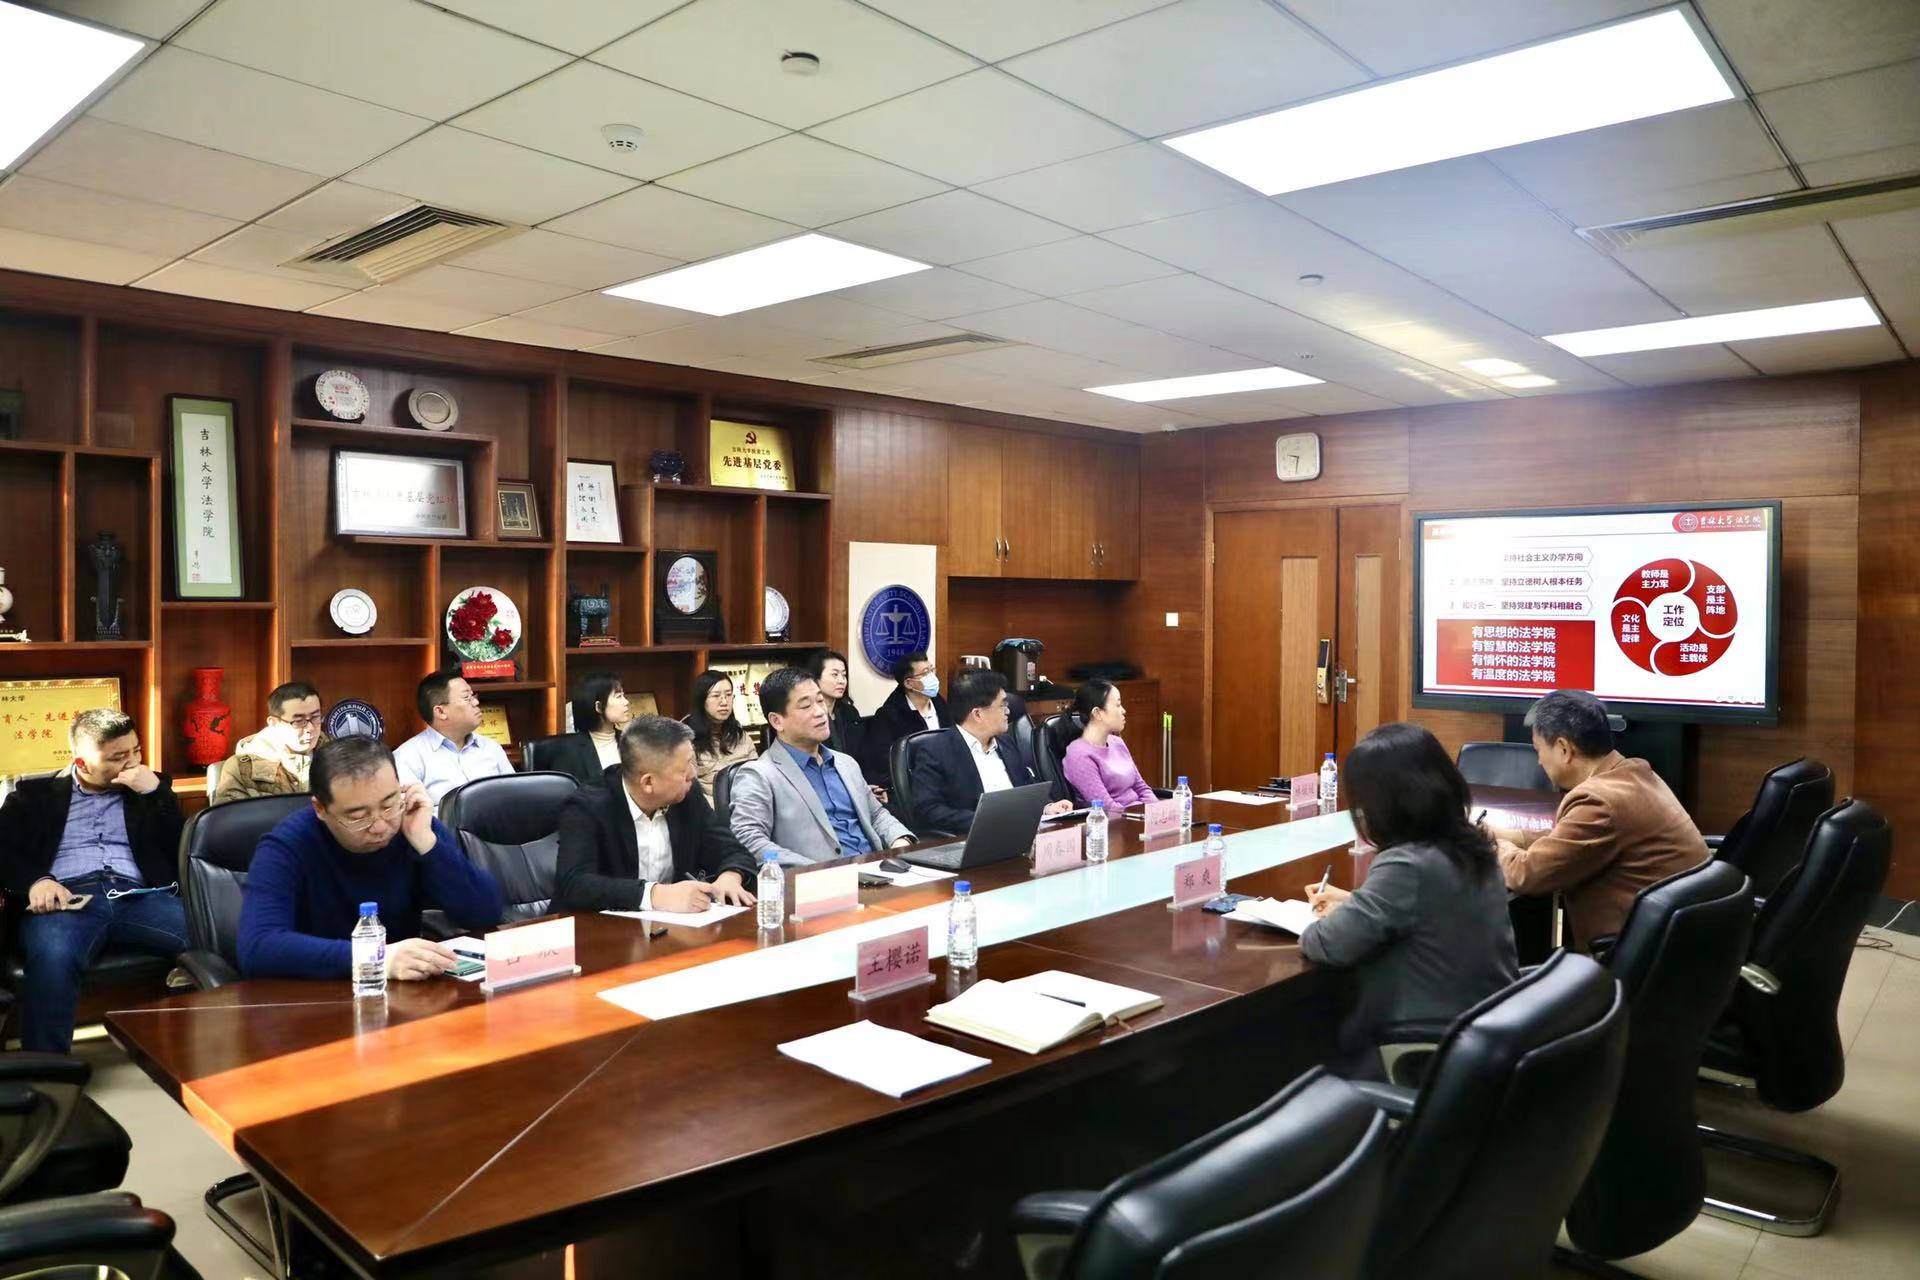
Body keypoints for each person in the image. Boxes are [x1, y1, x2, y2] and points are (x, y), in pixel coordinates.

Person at [1298, 722, 1519, 1077]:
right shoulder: (1471, 844)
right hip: (1486, 1039)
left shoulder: (1407, 864)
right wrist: (1356, 903)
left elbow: (1326, 943)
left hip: (1425, 1054)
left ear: (1383, 805)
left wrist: (1320, 922)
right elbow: (1430, 911)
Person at [238, 736, 504, 980]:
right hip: (317, 995)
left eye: (388, 804)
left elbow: (485, 914)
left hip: (403, 993)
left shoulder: (412, 824)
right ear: (320, 809)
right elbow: (257, 947)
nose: (379, 826)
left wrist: (426, 842)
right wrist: (374, 957)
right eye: (357, 816)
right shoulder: (287, 846)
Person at [0, 710, 188, 1052]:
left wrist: (156, 794)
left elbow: (183, 847)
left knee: (218, 935)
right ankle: (47, 1070)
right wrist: (36, 881)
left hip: (140, 897)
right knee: (53, 957)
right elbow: (5, 850)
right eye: (118, 757)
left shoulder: (150, 787)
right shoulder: (33, 795)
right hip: (66, 900)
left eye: (136, 751)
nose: (132, 763)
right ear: (82, 763)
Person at [1489, 689, 1709, 952]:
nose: (1538, 761)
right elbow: (1573, 841)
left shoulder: (1599, 801)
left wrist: (1494, 846)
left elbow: (1526, 875)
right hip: (1676, 944)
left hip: (1634, 955)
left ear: (1564, 749)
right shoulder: (1633, 773)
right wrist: (1510, 835)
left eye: (1539, 750)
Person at [553, 715, 757, 912]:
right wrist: (654, 895)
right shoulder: (586, 806)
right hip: (596, 929)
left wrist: (731, 875)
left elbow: (732, 849)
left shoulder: (687, 795)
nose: (693, 774)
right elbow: (574, 883)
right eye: (684, 768)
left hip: (669, 927)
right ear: (648, 782)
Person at [729, 667, 915, 864]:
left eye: (820, 701)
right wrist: (815, 870)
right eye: (805, 706)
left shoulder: (846, 763)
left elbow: (876, 814)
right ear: (777, 721)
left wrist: (900, 841)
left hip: (877, 870)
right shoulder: (759, 775)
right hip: (817, 878)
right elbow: (749, 840)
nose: (820, 712)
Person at [909, 669, 1070, 835]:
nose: (1008, 711)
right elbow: (927, 809)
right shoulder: (936, 750)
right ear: (978, 714)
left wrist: (1047, 807)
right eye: (1002, 705)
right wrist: (986, 821)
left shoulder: (1006, 743)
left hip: (1024, 833)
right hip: (975, 838)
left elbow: (1027, 785)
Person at [393, 669, 513, 805]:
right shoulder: (408, 757)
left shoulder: (491, 748)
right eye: (466, 698)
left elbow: (515, 797)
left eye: (473, 696)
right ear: (441, 711)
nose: (476, 702)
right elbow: (412, 811)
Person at [210, 680, 325, 806]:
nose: (310, 728)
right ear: (274, 723)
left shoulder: (337, 758)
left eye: (315, 717)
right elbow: (230, 817)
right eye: (298, 721)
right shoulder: (241, 768)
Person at [1061, 678, 1157, 809]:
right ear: (1097, 713)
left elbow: (1142, 788)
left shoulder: (1117, 742)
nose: (1123, 710)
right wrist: (1141, 816)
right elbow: (1107, 808)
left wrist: (1156, 812)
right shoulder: (1078, 755)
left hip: (1140, 814)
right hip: (1119, 819)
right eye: (1118, 705)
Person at [860, 652, 951, 783]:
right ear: (908, 683)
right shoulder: (888, 716)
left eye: (932, 670)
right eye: (925, 673)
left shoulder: (941, 705)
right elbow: (886, 762)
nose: (932, 677)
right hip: (915, 782)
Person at [535, 670, 634, 785]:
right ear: (598, 707)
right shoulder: (568, 752)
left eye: (623, 695)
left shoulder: (633, 741)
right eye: (618, 696)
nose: (626, 702)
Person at [807, 648, 880, 794]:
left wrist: (869, 787)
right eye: (834, 675)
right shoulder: (809, 717)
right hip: (825, 790)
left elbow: (864, 756)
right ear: (816, 678)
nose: (841, 681)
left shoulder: (849, 713)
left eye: (844, 675)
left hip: (858, 785)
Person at [688, 669, 759, 804]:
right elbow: (689, 791)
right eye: (716, 696)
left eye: (728, 695)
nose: (724, 702)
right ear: (701, 700)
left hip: (748, 805)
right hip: (710, 811)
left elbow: (757, 777)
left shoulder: (741, 736)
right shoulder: (687, 741)